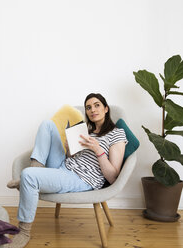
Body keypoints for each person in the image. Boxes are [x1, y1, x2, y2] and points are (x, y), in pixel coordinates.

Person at [7, 93, 127, 248]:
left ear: (106, 109)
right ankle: (36, 172)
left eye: (97, 105)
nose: (92, 110)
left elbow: (112, 177)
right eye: (88, 107)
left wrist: (98, 150)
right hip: (65, 165)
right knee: (47, 125)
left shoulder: (117, 133)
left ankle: (23, 231)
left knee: (27, 175)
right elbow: (75, 157)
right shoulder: (87, 131)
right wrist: (69, 150)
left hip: (81, 178)